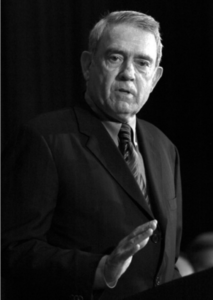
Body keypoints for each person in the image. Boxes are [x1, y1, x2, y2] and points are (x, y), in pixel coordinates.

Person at [2, 10, 182, 300]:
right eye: (115, 58)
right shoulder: (45, 139)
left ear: (155, 78)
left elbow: (164, 258)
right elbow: (13, 249)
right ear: (88, 65)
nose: (128, 73)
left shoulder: (165, 148)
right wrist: (98, 270)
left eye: (142, 62)